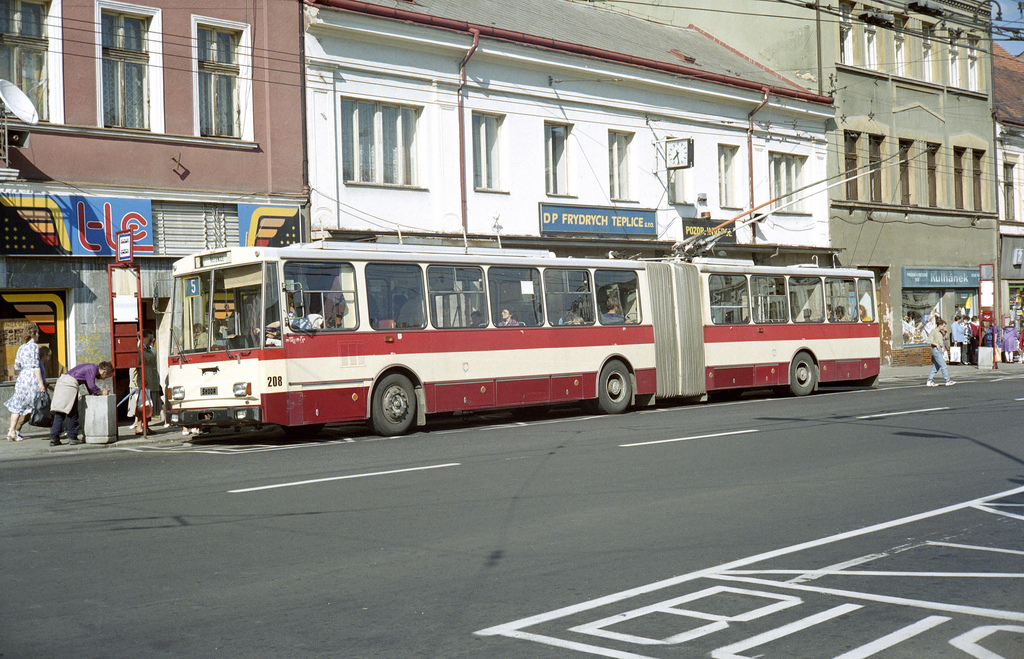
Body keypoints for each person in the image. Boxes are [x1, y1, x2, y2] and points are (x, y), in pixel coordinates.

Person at [49, 361, 113, 446]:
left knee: (60, 413)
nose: (104, 379)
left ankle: (54, 438)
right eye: (106, 377)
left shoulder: (90, 368)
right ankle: (72, 437)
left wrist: (93, 393)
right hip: (69, 385)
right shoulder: (92, 368)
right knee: (72, 413)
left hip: (62, 383)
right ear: (104, 372)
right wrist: (101, 392)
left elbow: (88, 384)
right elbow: (91, 386)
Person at [5, 324, 46, 442]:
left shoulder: (21, 347)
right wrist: (41, 383)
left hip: (22, 378)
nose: (38, 335)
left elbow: (17, 365)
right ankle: (14, 431)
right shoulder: (33, 346)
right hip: (30, 379)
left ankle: (11, 430)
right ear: (33, 334)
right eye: (37, 333)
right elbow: (35, 366)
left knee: (17, 406)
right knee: (35, 404)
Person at [129, 329, 162, 435]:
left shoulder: (151, 349)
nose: (151, 342)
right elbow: (134, 368)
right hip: (142, 381)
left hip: (152, 380)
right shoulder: (138, 350)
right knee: (141, 405)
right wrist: (135, 383)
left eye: (152, 340)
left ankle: (146, 426)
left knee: (149, 405)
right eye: (149, 340)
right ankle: (139, 427)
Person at [925, 318, 955, 387]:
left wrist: (945, 332)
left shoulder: (940, 333)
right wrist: (936, 344)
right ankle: (947, 380)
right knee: (943, 366)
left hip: (940, 350)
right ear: (939, 325)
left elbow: (946, 338)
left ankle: (929, 380)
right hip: (936, 350)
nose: (944, 327)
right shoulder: (934, 331)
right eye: (943, 326)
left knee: (936, 367)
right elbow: (929, 341)